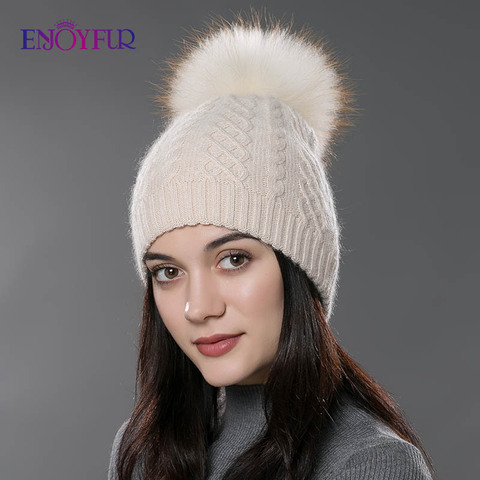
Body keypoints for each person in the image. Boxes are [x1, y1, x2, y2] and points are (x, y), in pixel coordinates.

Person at [108, 11, 435, 480]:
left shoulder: (369, 463)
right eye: (168, 272)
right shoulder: (144, 449)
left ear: (298, 269)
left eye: (233, 259)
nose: (198, 308)